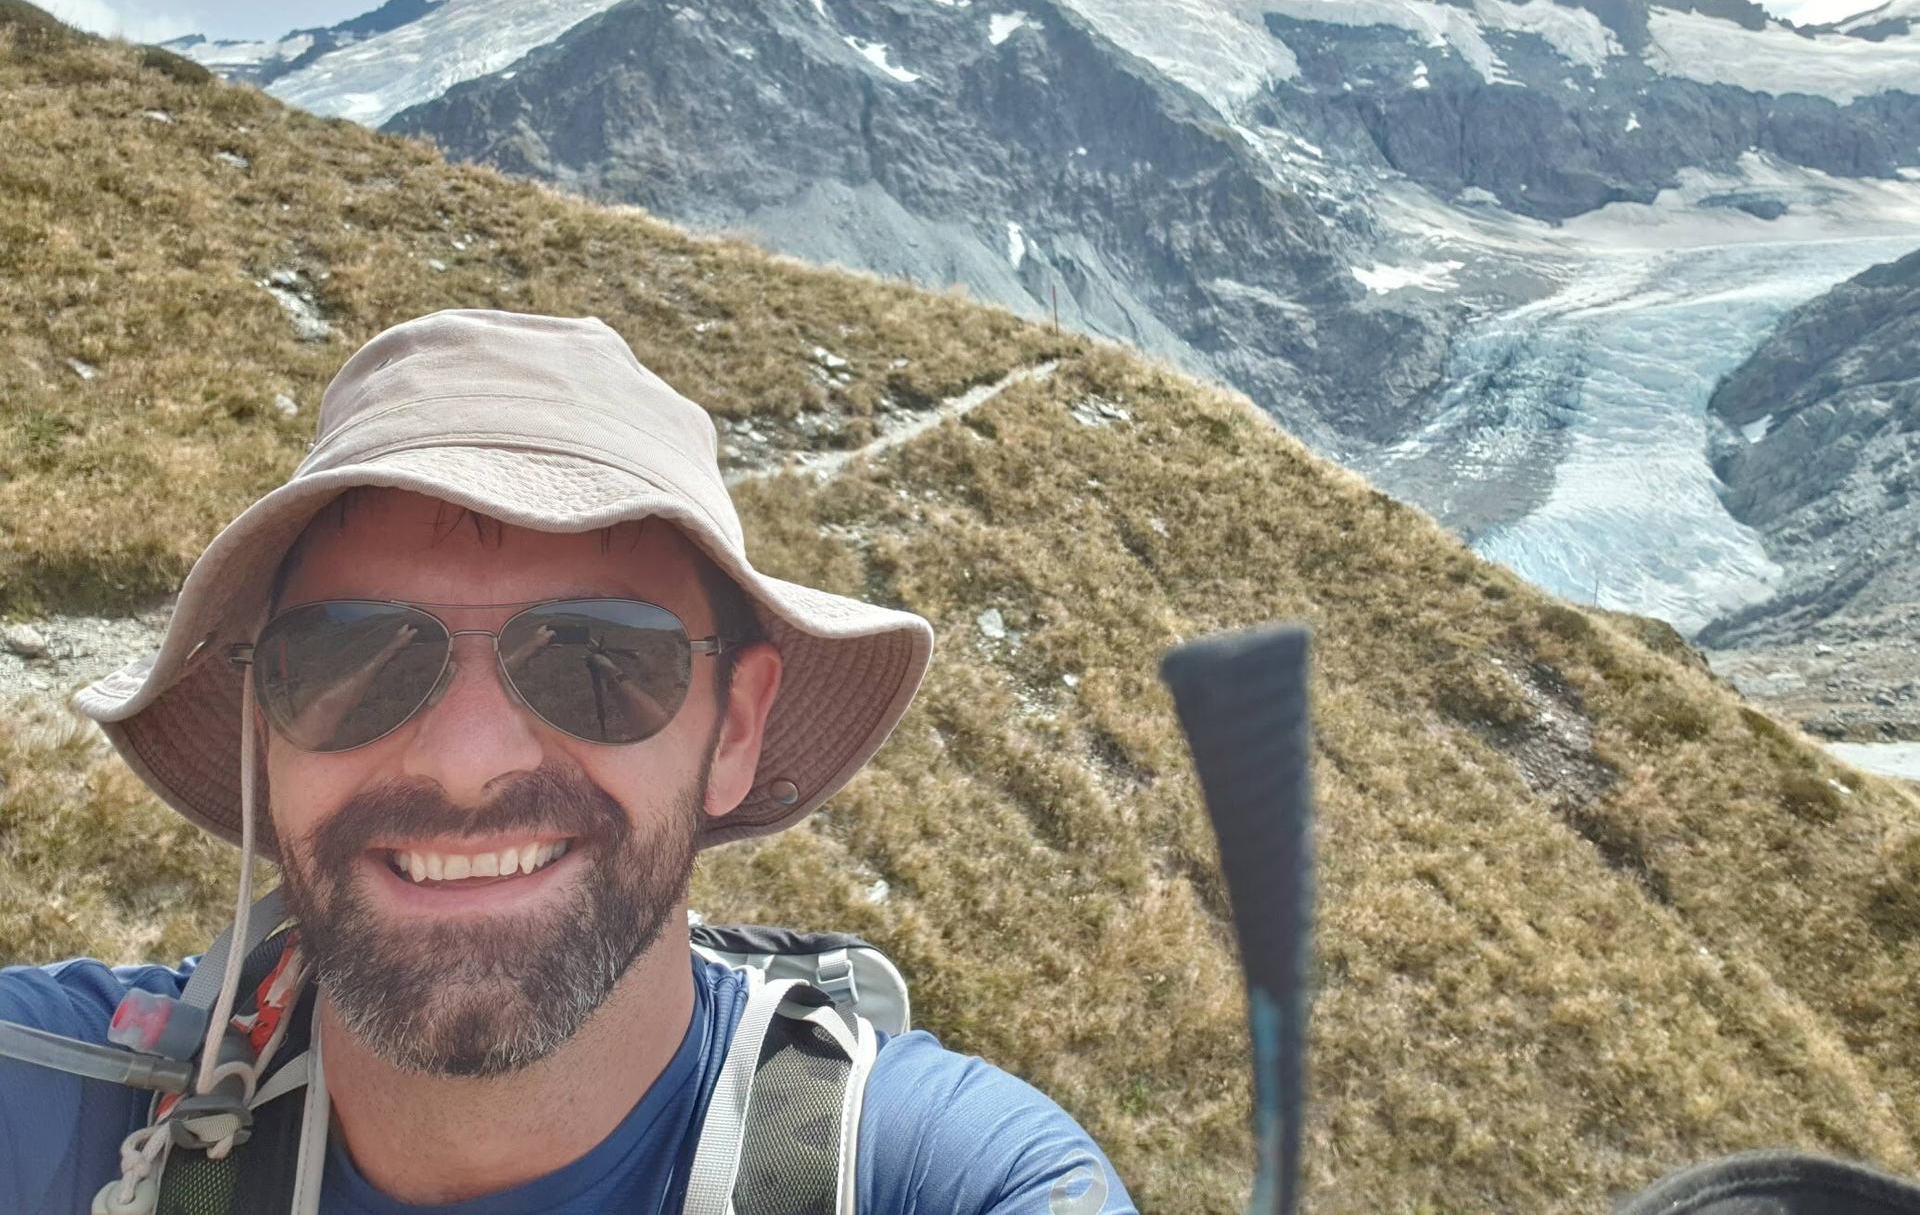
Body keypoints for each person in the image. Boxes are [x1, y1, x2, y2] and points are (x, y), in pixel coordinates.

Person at [1, 308, 1135, 1214]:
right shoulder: (45, 1091)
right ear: (265, 725)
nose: (466, 761)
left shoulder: (953, 1181)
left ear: (735, 731)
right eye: (354, 656)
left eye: (599, 656)